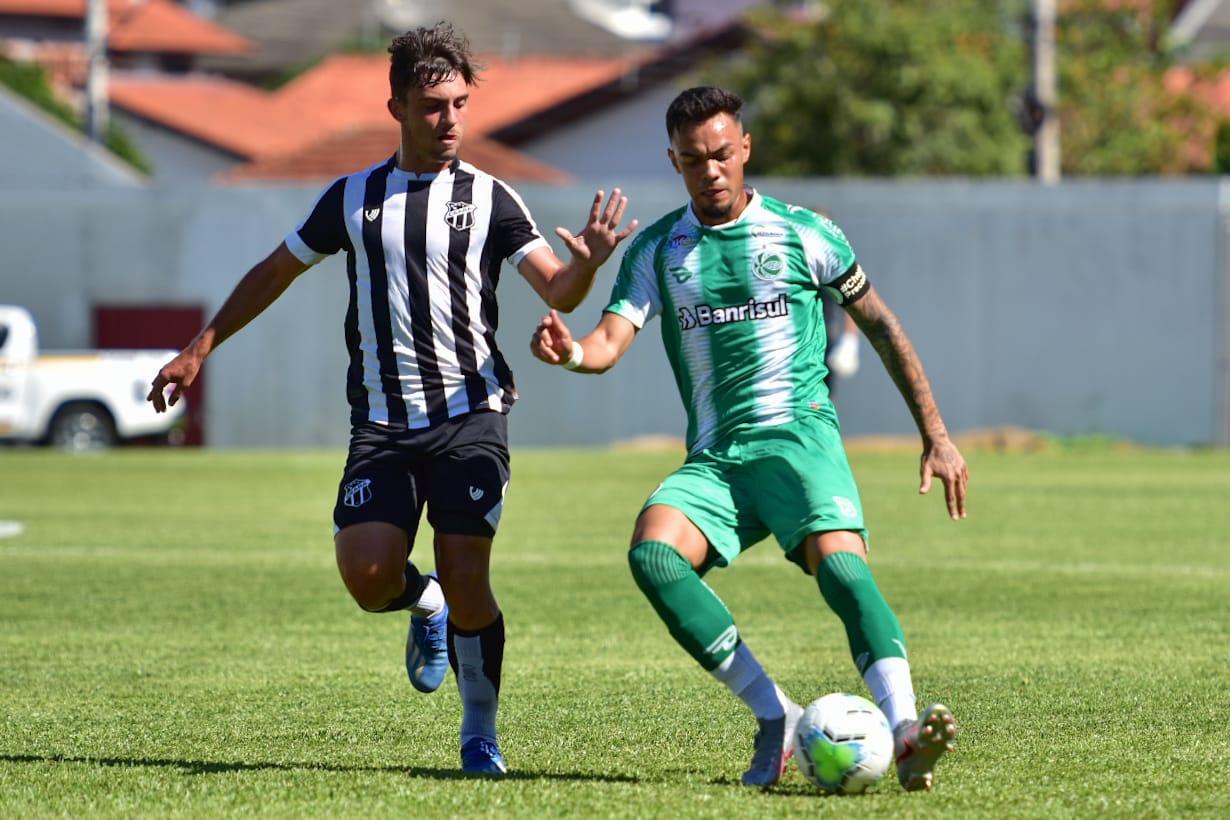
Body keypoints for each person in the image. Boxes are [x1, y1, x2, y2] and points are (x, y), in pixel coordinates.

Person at [147, 22, 635, 777]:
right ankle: (424, 606)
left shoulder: (490, 198)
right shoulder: (352, 198)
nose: (451, 122)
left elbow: (558, 286)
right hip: (381, 423)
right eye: (433, 106)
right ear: (398, 107)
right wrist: (199, 347)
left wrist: (590, 268)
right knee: (368, 576)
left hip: (472, 415)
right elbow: (275, 272)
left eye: (460, 104)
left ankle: (480, 733)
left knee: (468, 566)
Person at [530, 86, 966, 791]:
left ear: (745, 149)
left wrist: (936, 435)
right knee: (654, 556)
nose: (711, 170)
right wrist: (570, 352)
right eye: (694, 158)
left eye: (723, 153)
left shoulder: (805, 232)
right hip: (718, 461)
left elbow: (883, 327)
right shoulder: (657, 249)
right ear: (674, 161)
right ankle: (779, 715)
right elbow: (608, 341)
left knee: (845, 574)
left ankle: (908, 728)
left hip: (800, 444)